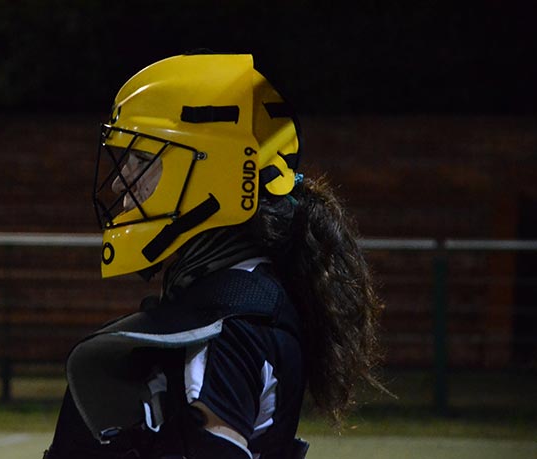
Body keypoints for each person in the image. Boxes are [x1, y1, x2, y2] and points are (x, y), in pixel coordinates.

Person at [44, 52, 385, 459]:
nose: (120, 183)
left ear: (215, 172)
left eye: (141, 159)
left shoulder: (225, 326)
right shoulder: (255, 295)